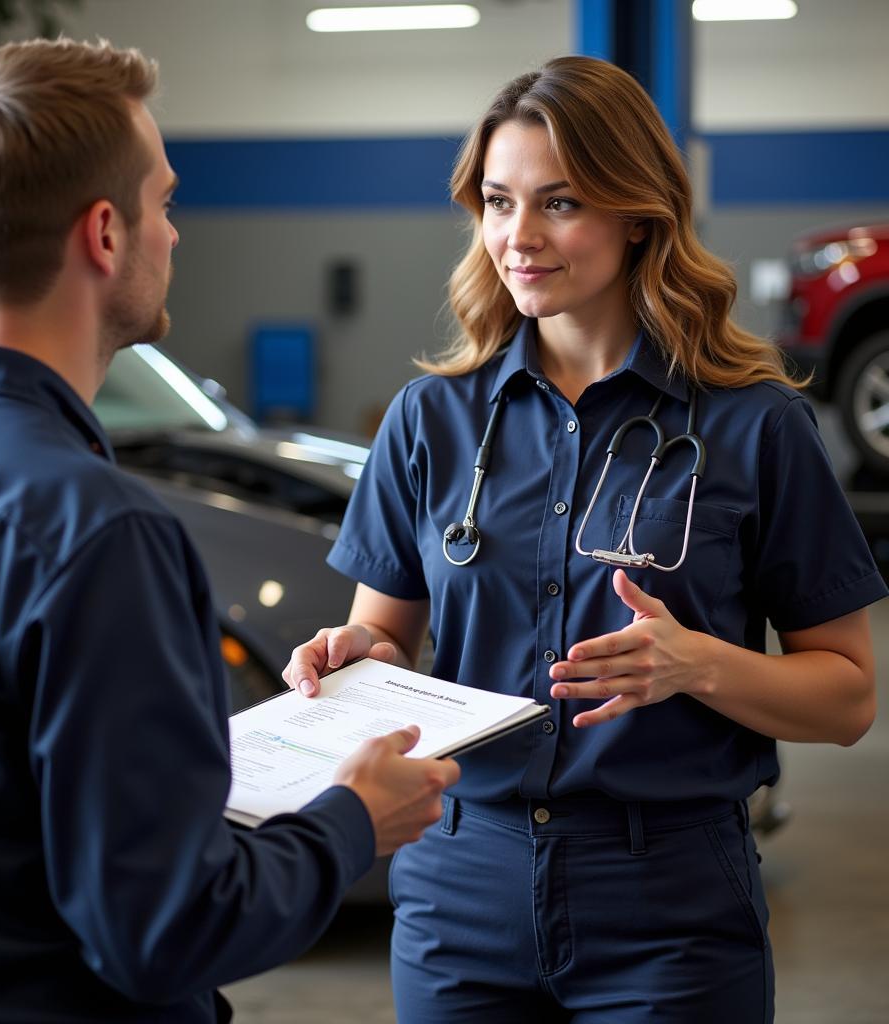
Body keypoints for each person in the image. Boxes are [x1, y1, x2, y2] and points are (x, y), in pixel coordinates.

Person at [0, 38, 460, 1024]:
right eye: (166, 203)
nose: (173, 235)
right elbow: (164, 928)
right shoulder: (98, 534)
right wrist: (352, 821)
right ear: (105, 233)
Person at [284, 55, 884, 1023]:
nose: (518, 237)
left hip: (670, 906)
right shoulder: (429, 419)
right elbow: (386, 639)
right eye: (496, 201)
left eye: (558, 203)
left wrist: (695, 665)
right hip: (458, 889)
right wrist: (358, 656)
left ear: (636, 212)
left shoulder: (753, 424)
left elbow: (848, 695)